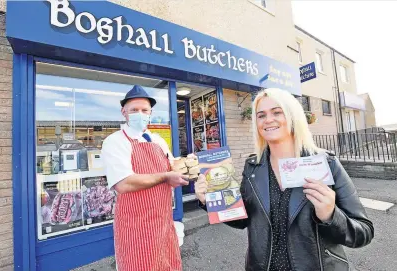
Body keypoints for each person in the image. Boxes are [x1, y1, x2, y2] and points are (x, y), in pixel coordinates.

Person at [195, 88, 374, 271]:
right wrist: (209, 199)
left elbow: (363, 232)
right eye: (261, 115)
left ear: (292, 116)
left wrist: (330, 215)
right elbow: (242, 220)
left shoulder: (326, 163)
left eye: (277, 112)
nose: (268, 120)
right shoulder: (253, 167)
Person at [101, 85, 188, 271]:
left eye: (144, 110)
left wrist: (190, 163)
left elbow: (173, 166)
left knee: (168, 265)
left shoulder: (157, 139)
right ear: (124, 112)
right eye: (134, 110)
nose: (140, 114)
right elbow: (123, 183)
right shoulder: (115, 141)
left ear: (150, 113)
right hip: (135, 228)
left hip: (163, 221)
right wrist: (166, 176)